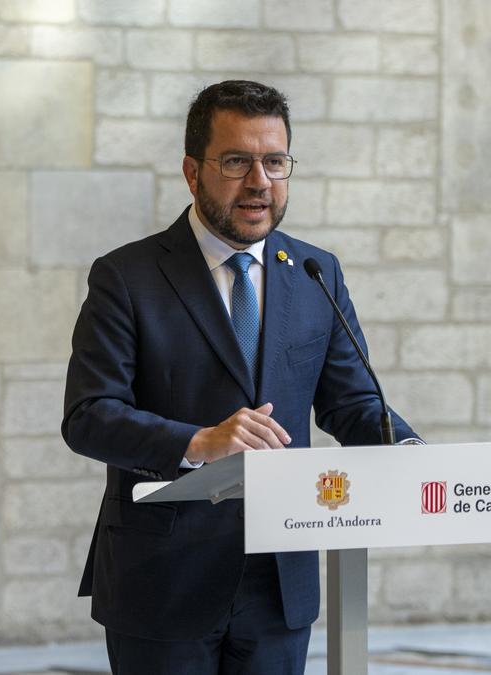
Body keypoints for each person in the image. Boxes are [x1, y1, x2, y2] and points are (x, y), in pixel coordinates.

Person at [62, 80, 421, 674]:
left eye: (275, 162)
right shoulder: (127, 277)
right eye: (237, 161)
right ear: (192, 171)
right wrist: (199, 442)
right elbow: (89, 417)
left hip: (281, 580)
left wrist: (411, 454)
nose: (260, 182)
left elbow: (352, 401)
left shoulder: (315, 272)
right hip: (164, 581)